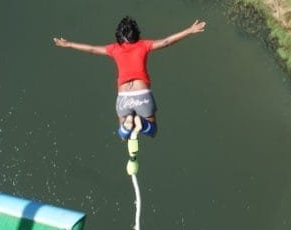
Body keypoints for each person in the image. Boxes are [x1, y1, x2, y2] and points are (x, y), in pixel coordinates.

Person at [53, 16, 206, 140]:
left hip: (123, 97)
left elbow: (92, 49)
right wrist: (189, 30)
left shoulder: (114, 49)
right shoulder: (143, 45)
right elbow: (166, 42)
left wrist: (70, 44)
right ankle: (143, 124)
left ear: (119, 36)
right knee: (152, 132)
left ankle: (128, 125)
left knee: (123, 136)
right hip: (142, 95)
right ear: (137, 34)